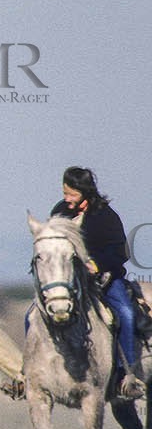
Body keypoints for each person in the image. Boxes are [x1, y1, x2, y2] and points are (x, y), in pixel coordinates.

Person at [52, 167, 145, 401]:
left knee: (125, 313)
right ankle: (27, 373)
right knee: (32, 315)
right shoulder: (60, 212)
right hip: (69, 281)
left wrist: (97, 264)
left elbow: (121, 252)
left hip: (105, 279)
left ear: (85, 192)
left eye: (71, 194)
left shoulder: (105, 216)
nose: (67, 199)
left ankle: (126, 375)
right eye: (65, 193)